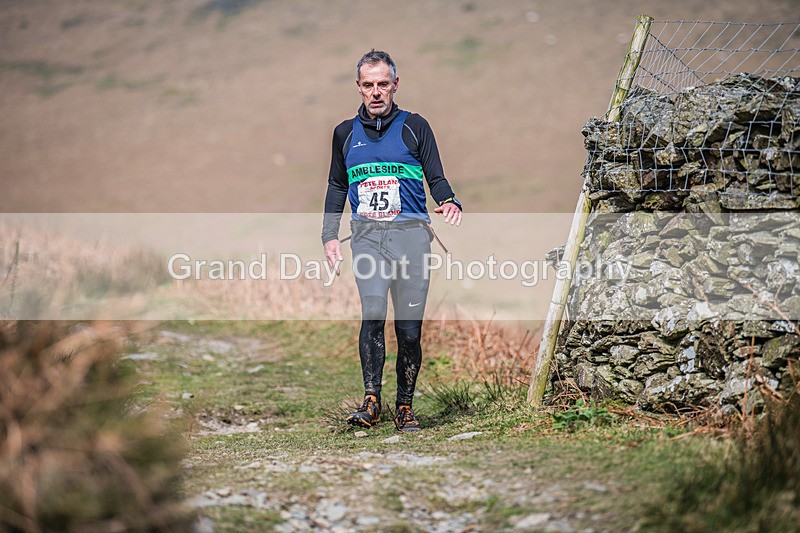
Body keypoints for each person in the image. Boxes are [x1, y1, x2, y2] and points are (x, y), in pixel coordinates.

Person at [322, 50, 462, 432]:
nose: (376, 92)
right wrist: (329, 236)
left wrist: (448, 200)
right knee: (372, 313)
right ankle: (371, 402)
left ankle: (404, 407)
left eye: (383, 84)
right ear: (359, 88)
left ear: (395, 85)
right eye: (369, 85)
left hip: (413, 240)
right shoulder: (344, 134)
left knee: (409, 330)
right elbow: (337, 185)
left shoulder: (415, 127)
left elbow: (436, 177)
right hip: (368, 240)